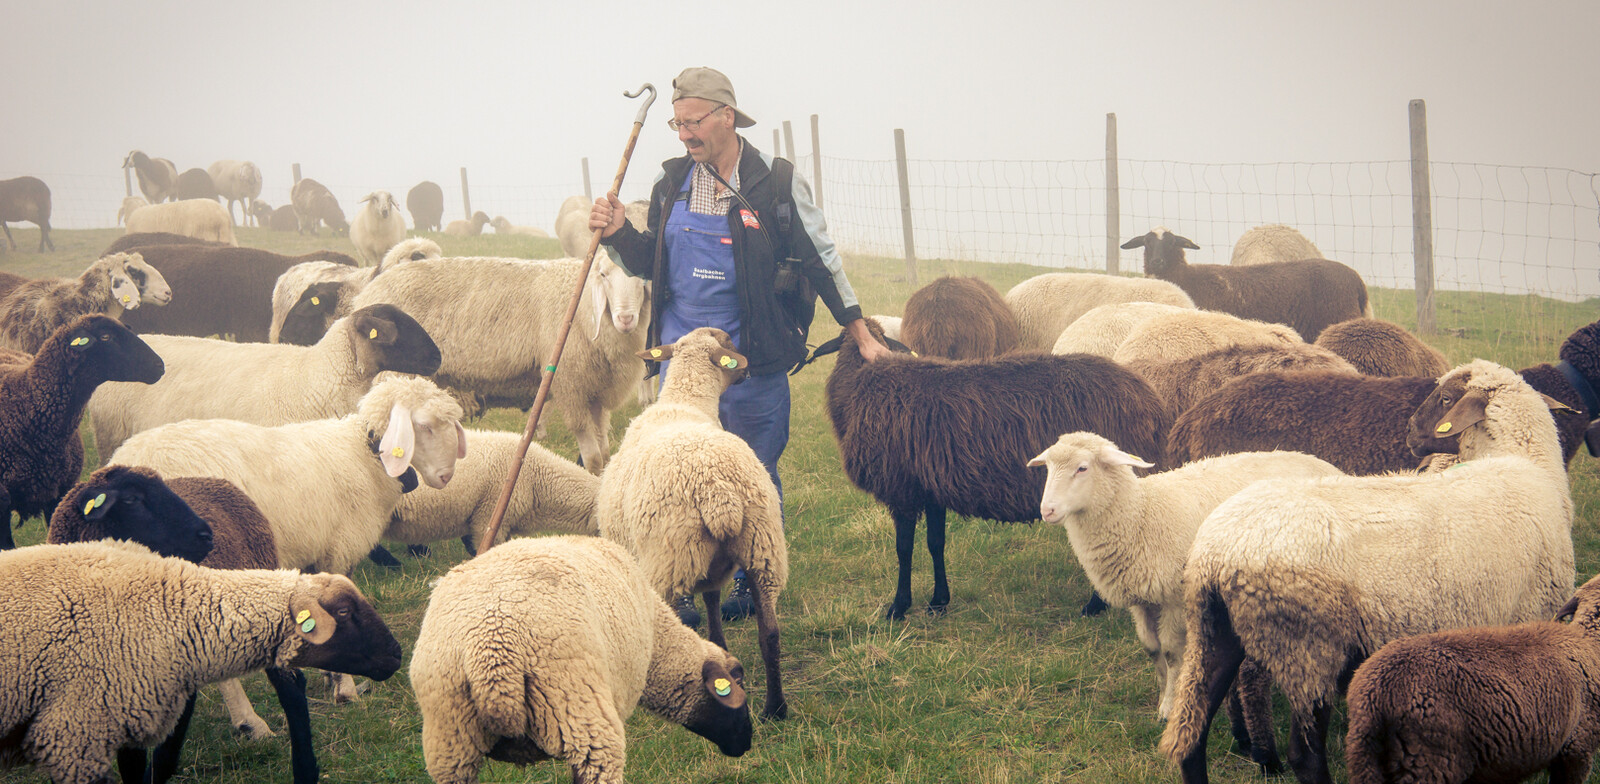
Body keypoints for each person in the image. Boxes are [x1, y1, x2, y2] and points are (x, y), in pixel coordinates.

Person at [591, 66, 890, 624]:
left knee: (753, 471)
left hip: (752, 362)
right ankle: (680, 577)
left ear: (726, 116)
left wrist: (858, 330)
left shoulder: (774, 182)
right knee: (676, 473)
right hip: (683, 368)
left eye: (693, 122)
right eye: (676, 124)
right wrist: (617, 236)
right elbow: (651, 260)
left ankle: (756, 578)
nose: (684, 135)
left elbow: (822, 259)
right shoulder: (670, 182)